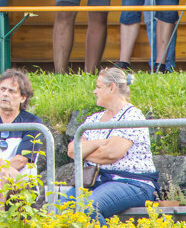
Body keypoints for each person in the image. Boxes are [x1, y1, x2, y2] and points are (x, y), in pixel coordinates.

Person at [64, 67, 158, 222]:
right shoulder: (94, 119)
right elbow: (72, 151)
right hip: (96, 183)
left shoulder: (132, 116)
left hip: (132, 183)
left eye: (98, 87)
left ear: (112, 87)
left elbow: (111, 154)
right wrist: (100, 143)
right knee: (60, 208)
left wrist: (87, 149)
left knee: (88, 208)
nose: (95, 91)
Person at [0, 69, 44, 205]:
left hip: (22, 184)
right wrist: (3, 174)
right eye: (2, 89)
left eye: (11, 91)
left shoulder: (33, 123)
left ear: (23, 97)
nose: (5, 94)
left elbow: (21, 160)